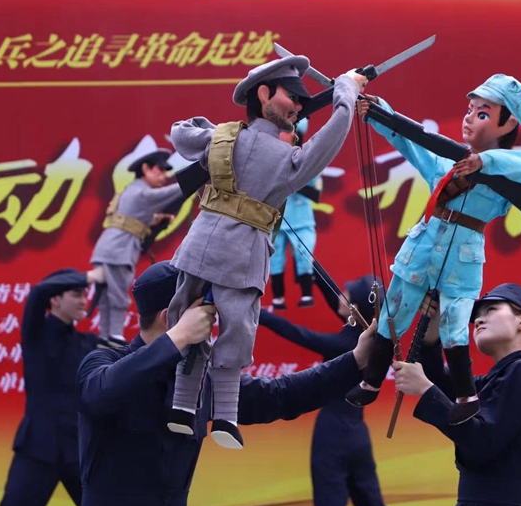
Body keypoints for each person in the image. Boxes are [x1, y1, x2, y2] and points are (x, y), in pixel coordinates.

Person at [69, 261, 379, 506]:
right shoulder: (103, 363)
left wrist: (356, 359)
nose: (213, 321)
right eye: (204, 312)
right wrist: (178, 337)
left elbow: (281, 395)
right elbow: (101, 393)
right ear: (169, 317)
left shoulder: (198, 379)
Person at [165, 55, 368, 448]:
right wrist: (344, 90)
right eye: (292, 97)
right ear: (263, 94)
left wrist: (215, 134)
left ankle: (181, 407)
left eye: (302, 100)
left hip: (200, 246)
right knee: (237, 333)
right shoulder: (286, 159)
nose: (298, 105)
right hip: (243, 258)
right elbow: (332, 136)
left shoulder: (223, 138)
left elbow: (181, 134)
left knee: (186, 321)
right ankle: (225, 418)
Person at [347, 75, 521, 428]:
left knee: (454, 324)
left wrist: (483, 163)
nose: (469, 118)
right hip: (421, 250)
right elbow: (410, 140)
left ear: (509, 123)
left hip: (463, 257)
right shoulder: (445, 165)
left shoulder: (510, 168)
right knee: (394, 313)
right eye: (470, 110)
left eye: (483, 113)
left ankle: (466, 397)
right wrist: (377, 112)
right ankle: (371, 381)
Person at [391, 283, 521, 506]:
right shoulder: (495, 380)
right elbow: (440, 379)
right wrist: (433, 321)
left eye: (491, 309)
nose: (479, 319)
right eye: (476, 316)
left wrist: (425, 389)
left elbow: (482, 442)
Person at [259, 271, 403, 506]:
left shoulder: (344, 345)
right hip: (358, 438)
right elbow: (336, 298)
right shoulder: (369, 339)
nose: (341, 297)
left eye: (347, 296)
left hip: (332, 437)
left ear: (356, 308)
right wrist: (313, 270)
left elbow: (299, 334)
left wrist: (259, 314)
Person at [0, 268, 101, 506]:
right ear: (55, 299)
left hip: (79, 452)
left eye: (84, 294)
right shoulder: (37, 333)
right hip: (38, 450)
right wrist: (89, 277)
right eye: (76, 294)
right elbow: (38, 292)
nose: (83, 300)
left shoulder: (88, 343)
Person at [89, 148, 181, 345]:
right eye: (159, 170)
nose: (164, 176)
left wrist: (157, 219)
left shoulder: (132, 190)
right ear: (146, 168)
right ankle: (114, 335)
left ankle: (105, 336)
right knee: (117, 295)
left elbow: (136, 216)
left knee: (106, 297)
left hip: (110, 248)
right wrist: (195, 178)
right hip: (119, 250)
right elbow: (172, 192)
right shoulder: (142, 193)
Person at [270, 119, 322, 310]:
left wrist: (293, 181)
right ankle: (278, 297)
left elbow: (316, 193)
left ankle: (306, 293)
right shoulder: (271, 158)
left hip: (301, 218)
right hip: (276, 217)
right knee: (274, 257)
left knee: (304, 254)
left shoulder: (309, 159)